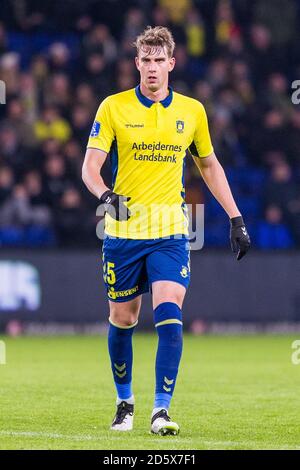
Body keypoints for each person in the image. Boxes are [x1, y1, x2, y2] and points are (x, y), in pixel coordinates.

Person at [82, 26, 250, 436]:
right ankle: (125, 402)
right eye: (146, 60)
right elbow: (90, 168)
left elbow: (209, 166)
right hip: (122, 232)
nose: (153, 67)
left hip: (173, 230)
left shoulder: (192, 112)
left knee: (169, 309)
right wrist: (105, 196)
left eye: (160, 60)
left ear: (171, 64)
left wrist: (235, 217)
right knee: (123, 318)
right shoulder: (113, 108)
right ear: (136, 63)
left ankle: (161, 409)